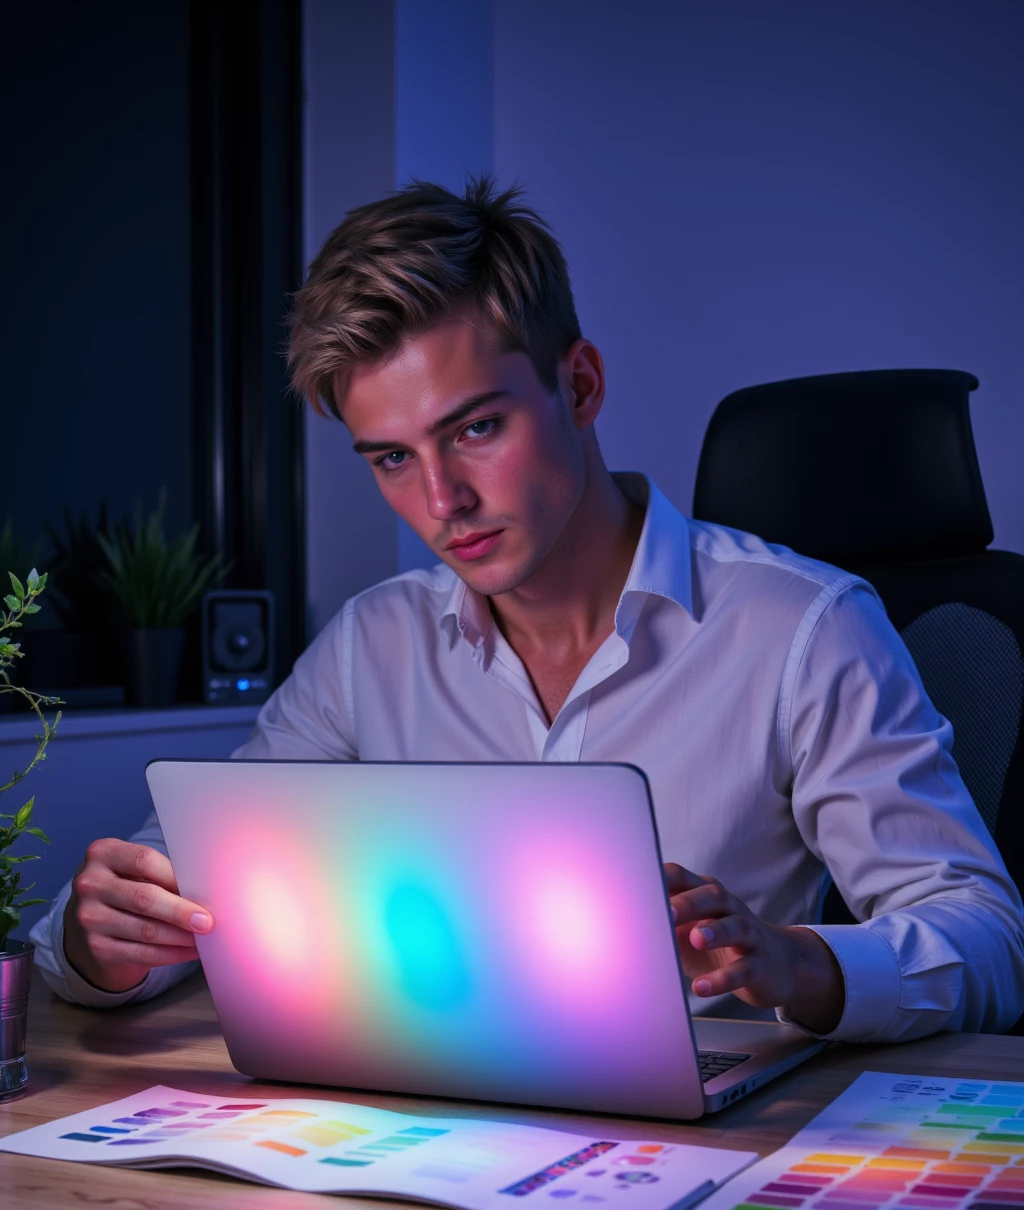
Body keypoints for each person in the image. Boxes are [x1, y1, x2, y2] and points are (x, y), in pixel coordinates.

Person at [34, 178, 1024, 1042]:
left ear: (580, 385)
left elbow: (983, 936)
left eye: (474, 428)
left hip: (703, 1151)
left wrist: (799, 961)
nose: (439, 502)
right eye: (390, 457)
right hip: (430, 1129)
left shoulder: (802, 627)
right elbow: (181, 885)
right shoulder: (368, 647)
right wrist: (104, 940)